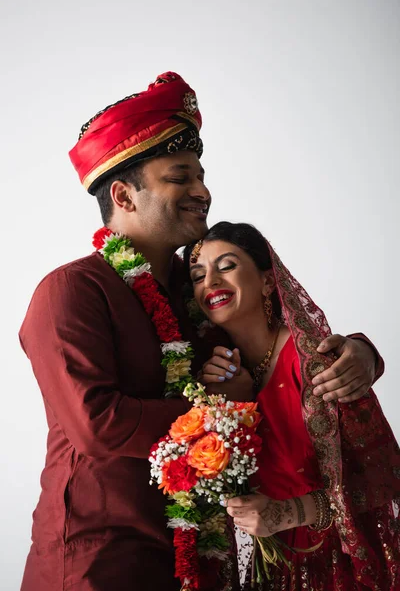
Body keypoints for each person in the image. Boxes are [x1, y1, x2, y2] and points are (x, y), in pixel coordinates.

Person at [19, 72, 385, 591]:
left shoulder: (194, 296)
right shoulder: (72, 291)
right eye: (181, 177)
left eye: (201, 175)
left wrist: (360, 354)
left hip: (200, 558)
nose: (203, 191)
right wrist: (216, 407)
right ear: (123, 195)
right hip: (100, 559)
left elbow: (271, 351)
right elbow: (97, 424)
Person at [184, 221, 400, 590]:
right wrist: (235, 405)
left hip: (341, 565)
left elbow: (384, 479)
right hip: (273, 572)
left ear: (269, 281)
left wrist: (292, 512)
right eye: (198, 274)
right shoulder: (215, 379)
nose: (210, 282)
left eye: (227, 266)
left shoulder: (320, 363)